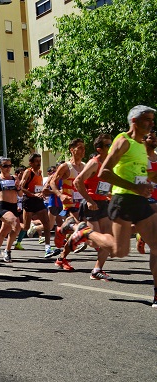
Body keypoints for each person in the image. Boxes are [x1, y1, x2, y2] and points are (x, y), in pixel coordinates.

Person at [97, 105, 157, 307]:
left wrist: (147, 182)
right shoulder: (123, 141)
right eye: (147, 119)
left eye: (152, 119)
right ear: (134, 121)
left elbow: (137, 173)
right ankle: (84, 232)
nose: (151, 123)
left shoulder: (142, 144)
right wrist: (135, 187)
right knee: (119, 252)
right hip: (122, 200)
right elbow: (104, 173)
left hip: (139, 200)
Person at [70, 134, 114, 278]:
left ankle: (97, 270)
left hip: (103, 203)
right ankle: (79, 231)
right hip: (91, 204)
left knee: (108, 240)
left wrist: (110, 193)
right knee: (94, 243)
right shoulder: (94, 163)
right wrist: (89, 200)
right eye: (108, 145)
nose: (111, 147)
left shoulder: (110, 162)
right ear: (99, 149)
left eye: (111, 144)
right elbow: (77, 182)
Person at [20, 153, 58, 259]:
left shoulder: (40, 172)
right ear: (31, 163)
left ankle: (47, 248)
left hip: (39, 201)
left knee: (47, 224)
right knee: (26, 227)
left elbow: (38, 187)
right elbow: (21, 187)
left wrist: (41, 193)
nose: (39, 163)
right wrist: (33, 194)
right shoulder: (28, 172)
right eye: (36, 161)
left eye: (39, 161)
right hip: (29, 201)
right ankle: (15, 224)